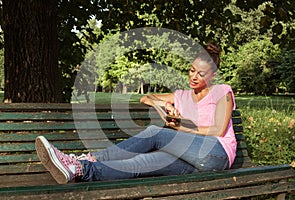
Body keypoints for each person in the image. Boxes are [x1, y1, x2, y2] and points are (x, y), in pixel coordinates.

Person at [35, 43, 237, 184]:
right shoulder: (181, 95)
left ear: (212, 75)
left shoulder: (222, 92)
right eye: (191, 70)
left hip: (216, 155)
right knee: (140, 164)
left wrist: (179, 126)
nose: (193, 76)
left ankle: (89, 158)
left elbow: (218, 130)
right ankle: (78, 170)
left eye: (200, 74)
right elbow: (146, 98)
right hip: (192, 161)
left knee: (155, 133)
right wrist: (164, 107)